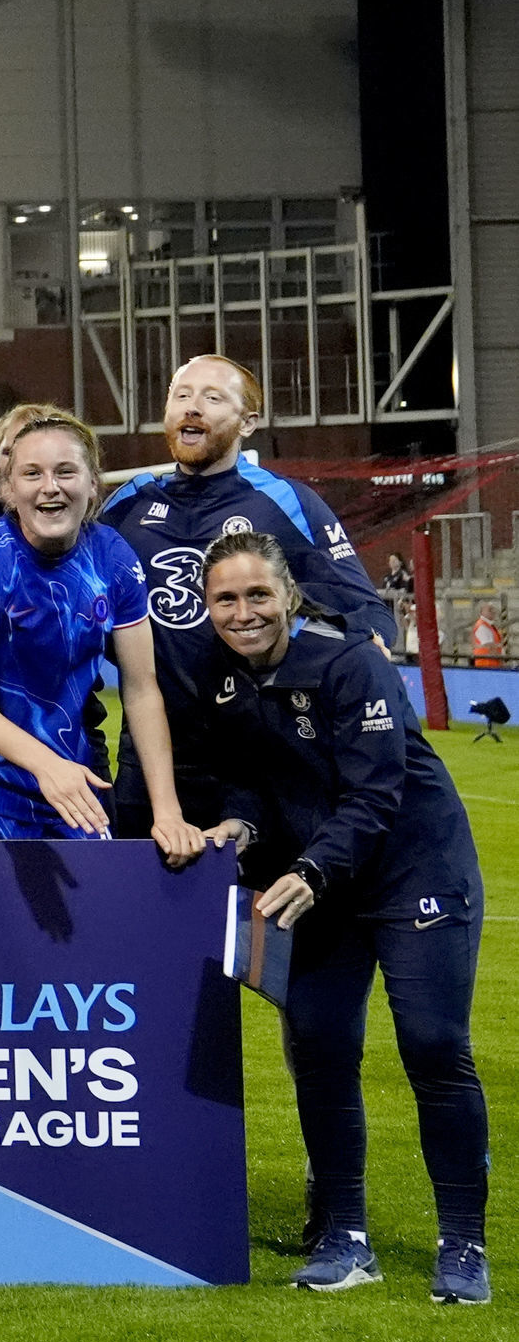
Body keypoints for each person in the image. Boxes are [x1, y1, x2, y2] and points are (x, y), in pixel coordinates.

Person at [199, 529, 491, 1303]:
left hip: (412, 870)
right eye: (225, 598)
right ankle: (345, 1239)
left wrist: (310, 867)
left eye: (258, 594)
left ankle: (463, 1244)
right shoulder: (221, 681)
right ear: (206, 606)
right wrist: (241, 827)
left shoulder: (349, 660)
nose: (244, 611)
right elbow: (246, 783)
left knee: (433, 1046)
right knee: (322, 1045)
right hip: (320, 884)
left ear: (289, 595)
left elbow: (375, 794)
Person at [98, 353, 393, 833]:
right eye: (182, 396)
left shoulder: (287, 503)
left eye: (213, 398)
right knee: (143, 899)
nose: (193, 407)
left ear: (248, 422)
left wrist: (366, 658)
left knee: (273, 897)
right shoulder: (128, 504)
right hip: (151, 752)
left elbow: (362, 607)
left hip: (258, 745)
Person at [0, 408, 193, 858]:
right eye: (32, 473)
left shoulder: (114, 556)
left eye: (66, 472)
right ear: (9, 488)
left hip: (77, 790)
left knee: (93, 925)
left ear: (93, 483)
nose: (50, 487)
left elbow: (141, 689)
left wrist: (167, 811)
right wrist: (45, 765)